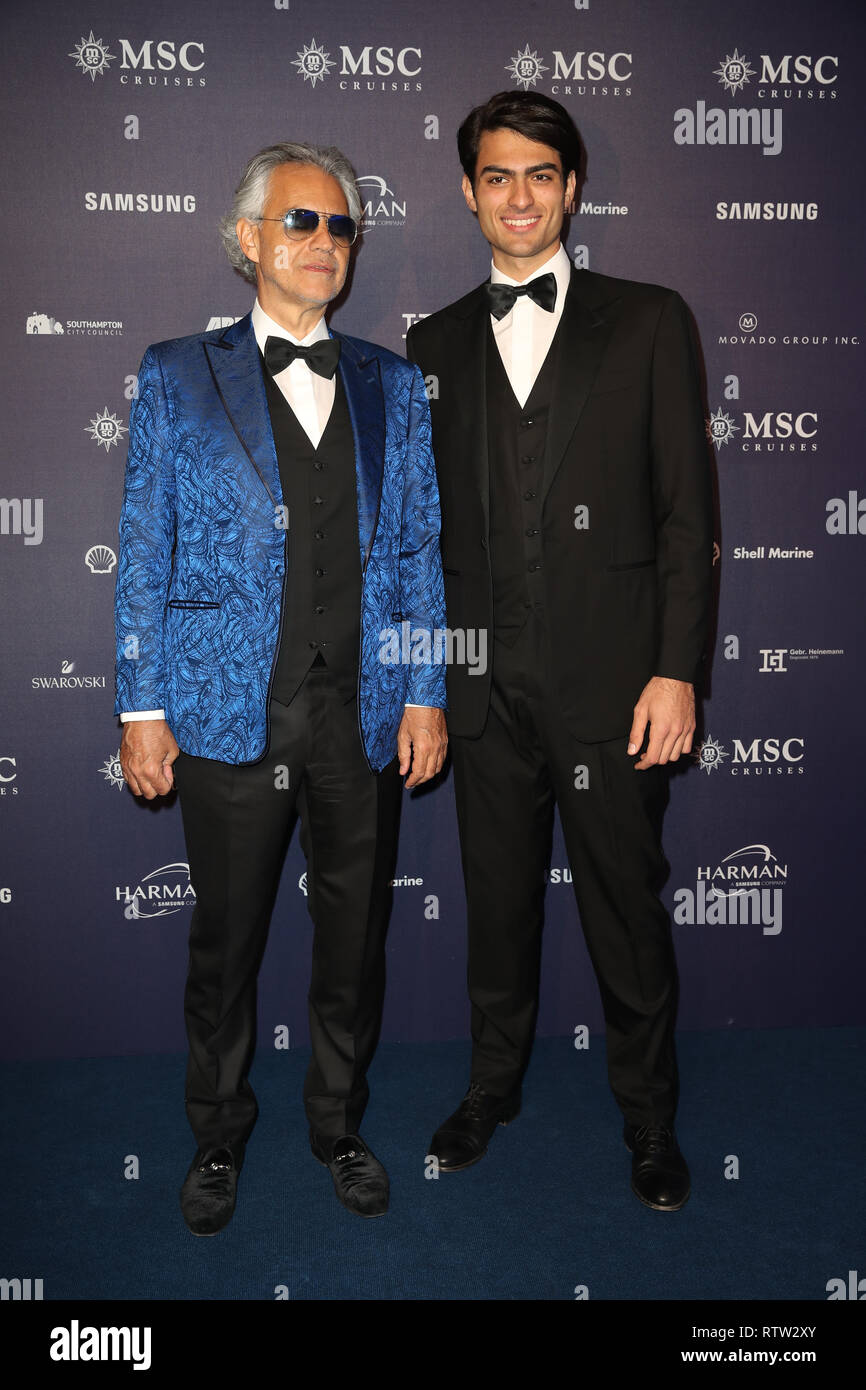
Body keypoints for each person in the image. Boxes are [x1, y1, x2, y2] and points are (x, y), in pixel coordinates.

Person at [115, 141, 446, 1232]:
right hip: (222, 709)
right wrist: (140, 705)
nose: (322, 243)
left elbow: (416, 555)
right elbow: (145, 549)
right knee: (228, 942)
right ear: (248, 238)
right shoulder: (174, 374)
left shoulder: (393, 384)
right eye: (299, 222)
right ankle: (218, 1133)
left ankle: (338, 1122)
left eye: (340, 226)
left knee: (352, 942)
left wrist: (423, 690)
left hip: (358, 711)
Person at [406, 92, 713, 1210]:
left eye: (540, 173)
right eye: (496, 176)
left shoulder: (645, 319)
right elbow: (421, 539)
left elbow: (685, 518)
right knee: (497, 911)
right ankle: (491, 1089)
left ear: (572, 186)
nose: (519, 196)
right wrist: (429, 682)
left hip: (617, 690)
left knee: (625, 915)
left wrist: (675, 669)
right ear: (467, 191)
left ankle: (647, 1118)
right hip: (484, 692)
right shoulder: (433, 341)